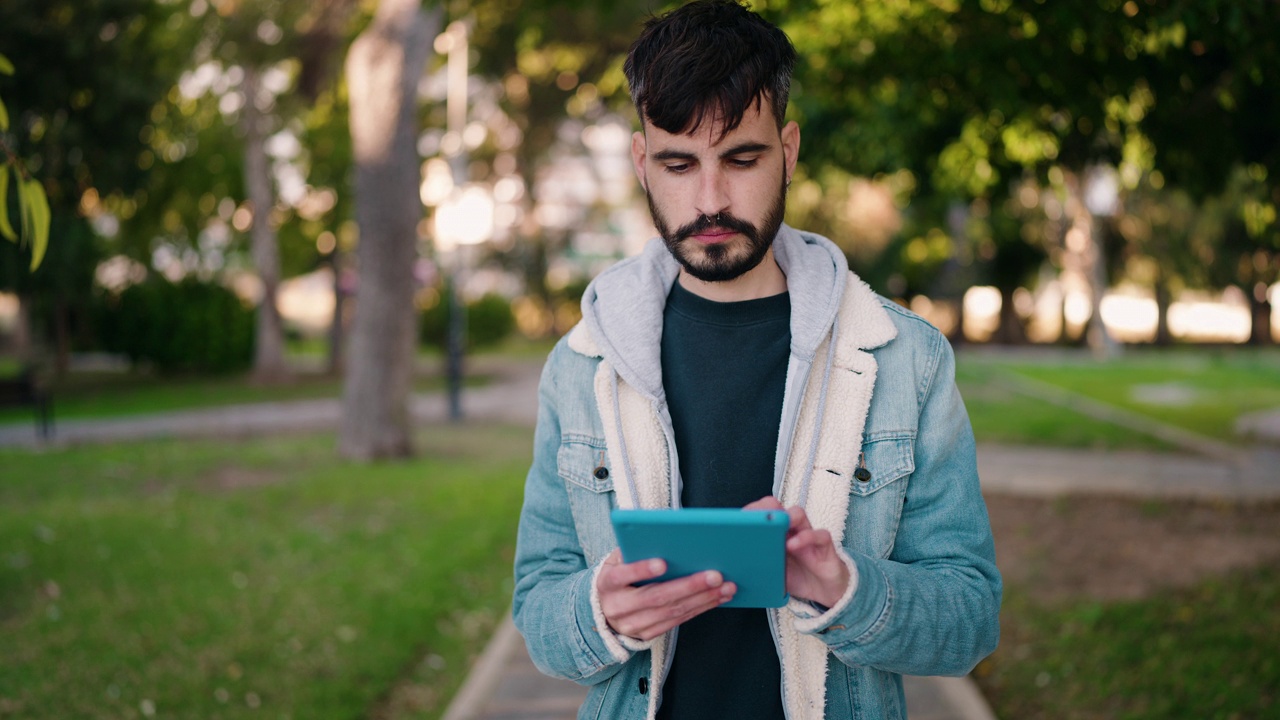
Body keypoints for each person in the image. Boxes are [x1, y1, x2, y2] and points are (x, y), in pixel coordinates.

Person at [512, 1, 1002, 718]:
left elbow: (970, 618)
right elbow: (537, 603)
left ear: (790, 151)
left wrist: (846, 589)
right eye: (679, 164)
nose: (710, 199)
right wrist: (600, 614)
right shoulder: (582, 363)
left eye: (742, 158)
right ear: (643, 164)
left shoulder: (906, 358)